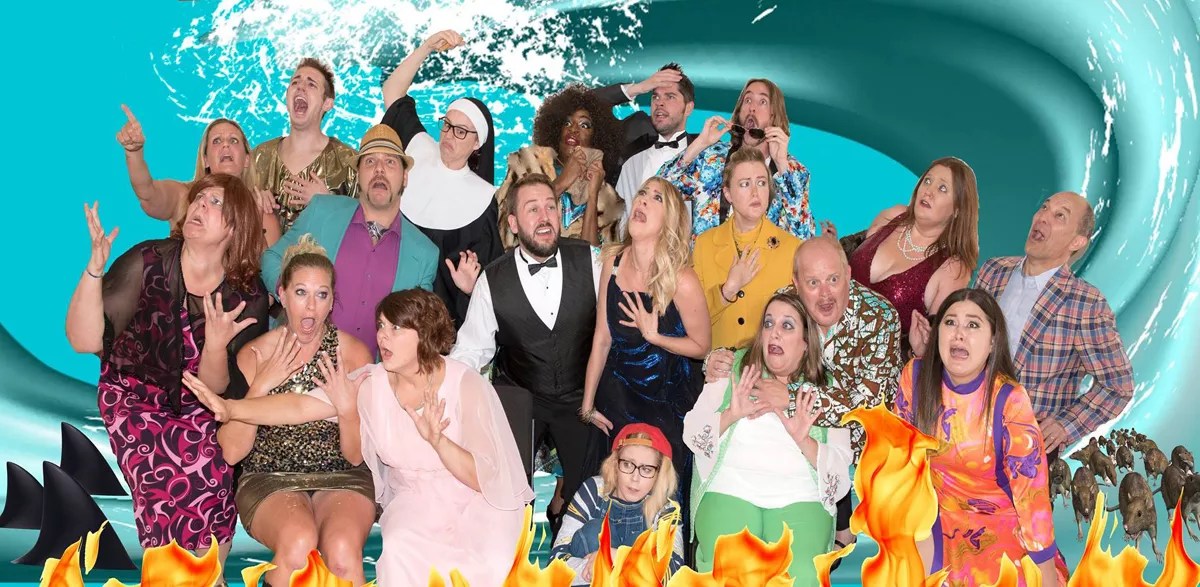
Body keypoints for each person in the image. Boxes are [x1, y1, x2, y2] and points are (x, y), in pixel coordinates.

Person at [65, 174, 269, 569]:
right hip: (134, 396)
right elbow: (83, 341)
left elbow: (216, 389)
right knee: (159, 478)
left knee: (212, 471)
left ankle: (208, 573)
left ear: (235, 227)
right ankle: (170, 572)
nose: (200, 205)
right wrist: (94, 270)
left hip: (200, 404)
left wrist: (215, 345)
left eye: (216, 203)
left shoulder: (247, 295)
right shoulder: (148, 261)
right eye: (200, 198)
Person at [183, 236, 375, 585]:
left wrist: (348, 411)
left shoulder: (353, 354)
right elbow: (231, 452)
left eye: (322, 294)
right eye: (301, 292)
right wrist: (260, 386)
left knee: (344, 551)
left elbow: (355, 455)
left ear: (333, 301)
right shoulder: (254, 355)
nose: (311, 306)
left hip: (342, 474)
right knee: (299, 541)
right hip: (269, 476)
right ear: (282, 295)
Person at [705, 235, 903, 555]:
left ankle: (837, 527)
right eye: (813, 283)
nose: (825, 294)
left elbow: (870, 406)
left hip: (856, 446)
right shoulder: (786, 305)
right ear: (796, 284)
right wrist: (716, 361)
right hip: (785, 439)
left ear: (848, 274)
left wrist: (793, 396)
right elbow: (756, 352)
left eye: (833, 280)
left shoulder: (880, 317)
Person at [449, 173, 601, 529]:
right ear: (514, 223)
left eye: (551, 207)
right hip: (520, 397)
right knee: (507, 499)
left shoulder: (591, 260)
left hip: (582, 398)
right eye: (533, 209)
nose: (545, 217)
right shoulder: (492, 279)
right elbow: (471, 350)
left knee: (590, 500)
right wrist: (445, 395)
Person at [358, 289, 534, 586]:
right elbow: (307, 405)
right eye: (381, 325)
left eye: (396, 327)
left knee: (489, 559)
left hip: (477, 500)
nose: (382, 336)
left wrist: (439, 442)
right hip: (414, 500)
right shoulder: (371, 385)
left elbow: (483, 479)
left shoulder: (465, 383)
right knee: (400, 547)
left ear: (424, 334)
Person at [893, 288, 1069, 586]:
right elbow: (901, 463)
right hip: (934, 512)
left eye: (973, 325)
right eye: (950, 322)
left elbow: (1032, 498)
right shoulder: (916, 377)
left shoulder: (1010, 399)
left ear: (992, 342)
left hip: (1002, 521)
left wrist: (1047, 574)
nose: (959, 334)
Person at [684, 292, 852, 585]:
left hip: (800, 495)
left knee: (802, 573)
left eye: (787, 326)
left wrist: (803, 440)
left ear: (806, 342)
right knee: (730, 569)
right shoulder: (734, 367)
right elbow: (692, 433)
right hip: (730, 488)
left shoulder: (826, 389)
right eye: (768, 323)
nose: (774, 332)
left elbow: (839, 475)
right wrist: (730, 415)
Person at [579, 177, 710, 537]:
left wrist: (656, 336)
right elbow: (602, 338)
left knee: (659, 503)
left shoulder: (682, 279)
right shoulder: (613, 261)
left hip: (665, 400)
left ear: (670, 220)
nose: (643, 201)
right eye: (642, 194)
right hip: (617, 394)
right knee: (612, 495)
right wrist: (587, 405)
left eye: (657, 198)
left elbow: (702, 345)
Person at [962, 192, 1133, 457]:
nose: (1043, 217)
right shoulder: (993, 271)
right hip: (964, 426)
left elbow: (1118, 386)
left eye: (1059, 216)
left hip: (1024, 447)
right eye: (1044, 207)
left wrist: (1067, 425)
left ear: (1077, 241)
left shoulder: (1086, 303)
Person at [262, 124, 438, 356]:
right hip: (297, 359)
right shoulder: (321, 211)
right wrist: (287, 293)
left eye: (390, 162)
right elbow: (272, 258)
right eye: (370, 162)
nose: (379, 170)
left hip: (374, 375)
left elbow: (418, 334)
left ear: (404, 177)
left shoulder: (425, 254)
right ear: (358, 174)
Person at [380, 29, 504, 327]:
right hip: (384, 299)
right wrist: (426, 48)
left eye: (461, 131)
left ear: (477, 143)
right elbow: (392, 91)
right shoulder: (417, 147)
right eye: (447, 125)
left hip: (438, 325)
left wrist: (471, 288)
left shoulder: (484, 200)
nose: (448, 135)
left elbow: (488, 282)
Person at [848, 157, 978, 355]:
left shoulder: (953, 268)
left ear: (958, 209)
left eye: (942, 188)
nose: (928, 191)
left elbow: (933, 348)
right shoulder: (892, 215)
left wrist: (920, 350)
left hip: (878, 368)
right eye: (927, 181)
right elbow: (843, 257)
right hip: (821, 341)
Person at [658, 78, 814, 240]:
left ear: (774, 117)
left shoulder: (794, 172)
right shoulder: (711, 158)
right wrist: (699, 144)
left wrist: (782, 166)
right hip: (708, 254)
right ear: (739, 112)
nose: (752, 108)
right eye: (748, 100)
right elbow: (659, 189)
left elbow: (804, 237)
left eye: (762, 102)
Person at [116, 108, 282, 244]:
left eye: (233, 140)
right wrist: (134, 153)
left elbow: (270, 270)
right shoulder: (183, 196)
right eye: (217, 141)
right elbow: (147, 193)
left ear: (246, 159)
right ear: (206, 159)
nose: (225, 145)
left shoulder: (261, 210)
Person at [693, 148, 801, 349]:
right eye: (745, 184)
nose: (755, 192)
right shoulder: (704, 244)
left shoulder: (792, 248)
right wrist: (727, 290)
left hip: (767, 364)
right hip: (717, 364)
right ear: (728, 194)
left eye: (761, 183)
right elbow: (692, 320)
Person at [550, 423, 684, 584]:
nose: (635, 478)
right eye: (627, 464)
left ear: (659, 473)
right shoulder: (594, 490)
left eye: (646, 469)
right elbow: (555, 561)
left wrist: (618, 558)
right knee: (595, 531)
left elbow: (674, 571)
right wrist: (596, 567)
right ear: (614, 464)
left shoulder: (666, 505)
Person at [495, 84, 625, 246]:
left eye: (584, 125)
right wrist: (563, 181)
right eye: (567, 122)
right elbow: (505, 230)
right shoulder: (527, 164)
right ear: (556, 129)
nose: (574, 129)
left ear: (597, 136)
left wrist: (593, 196)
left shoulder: (608, 198)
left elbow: (595, 256)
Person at [252, 57, 358, 233]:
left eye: (311, 84)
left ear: (327, 103)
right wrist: (252, 202)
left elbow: (366, 228)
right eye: (295, 82)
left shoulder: (348, 162)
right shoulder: (260, 157)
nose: (300, 87)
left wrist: (328, 203)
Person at [593, 64, 697, 237]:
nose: (660, 103)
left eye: (670, 96)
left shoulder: (706, 154)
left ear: (688, 108)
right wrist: (639, 88)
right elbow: (583, 104)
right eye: (655, 96)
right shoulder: (632, 157)